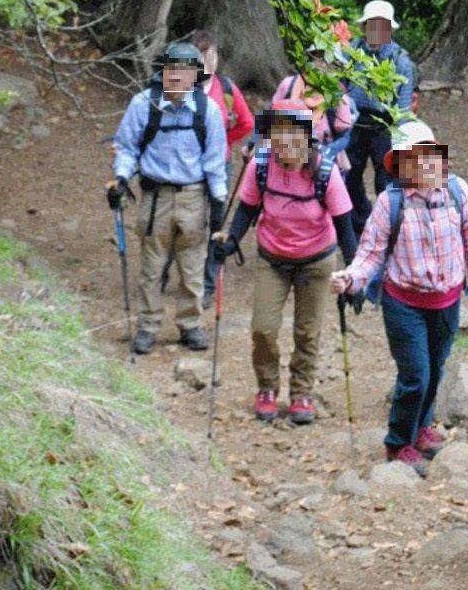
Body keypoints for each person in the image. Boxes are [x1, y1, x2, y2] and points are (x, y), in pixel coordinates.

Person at [331, 119, 468, 475]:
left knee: (436, 367)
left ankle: (422, 427)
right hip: (403, 302)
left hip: (447, 299)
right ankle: (398, 442)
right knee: (416, 375)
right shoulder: (389, 203)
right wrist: (351, 279)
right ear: (399, 164)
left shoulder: (458, 193)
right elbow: (370, 254)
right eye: (410, 157)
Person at [211, 106, 357, 424]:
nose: (285, 147)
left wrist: (353, 277)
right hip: (272, 258)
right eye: (279, 139)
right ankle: (267, 388)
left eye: (292, 139)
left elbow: (345, 229)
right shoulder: (261, 165)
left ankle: (302, 392)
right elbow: (246, 210)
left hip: (316, 260)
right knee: (263, 328)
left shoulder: (325, 171)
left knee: (308, 331)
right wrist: (231, 241)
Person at [108, 41, 228, 355]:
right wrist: (121, 179)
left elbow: (215, 161)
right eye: (173, 71)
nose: (178, 78)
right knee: (151, 268)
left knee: (192, 268)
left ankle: (190, 325)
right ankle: (147, 326)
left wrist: (218, 203)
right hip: (155, 198)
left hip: (193, 198)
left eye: (186, 72)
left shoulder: (208, 111)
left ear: (195, 76)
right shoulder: (143, 104)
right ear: (163, 72)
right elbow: (127, 147)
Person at [192, 29, 254, 305]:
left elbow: (246, 122)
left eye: (212, 55)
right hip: (189, 166)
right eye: (202, 55)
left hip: (220, 164)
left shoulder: (226, 89)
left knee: (216, 221)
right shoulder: (182, 88)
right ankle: (177, 272)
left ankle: (209, 283)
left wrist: (224, 143)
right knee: (187, 219)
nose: (208, 61)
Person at [344, 0, 415, 236]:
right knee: (349, 178)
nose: (376, 30)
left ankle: (386, 229)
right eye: (372, 24)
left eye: (382, 25)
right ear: (364, 27)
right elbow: (339, 89)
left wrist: (401, 138)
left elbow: (404, 107)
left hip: (384, 126)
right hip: (353, 123)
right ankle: (360, 223)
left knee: (386, 182)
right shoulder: (350, 55)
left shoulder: (400, 61)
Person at [271, 46, 356, 159]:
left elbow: (344, 136)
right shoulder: (289, 85)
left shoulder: (339, 96)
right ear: (310, 60)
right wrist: (257, 153)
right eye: (320, 58)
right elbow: (269, 118)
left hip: (321, 160)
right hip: (281, 153)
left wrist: (327, 153)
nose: (324, 65)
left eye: (330, 61)